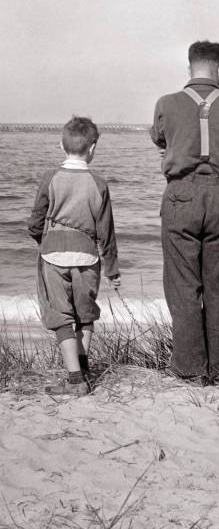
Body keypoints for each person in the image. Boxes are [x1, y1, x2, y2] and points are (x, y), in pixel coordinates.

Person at [150, 40, 219, 384]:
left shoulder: (167, 103)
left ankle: (190, 370)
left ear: (189, 66)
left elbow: (161, 140)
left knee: (183, 286)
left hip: (181, 195)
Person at [28, 116, 121, 396]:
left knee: (60, 316)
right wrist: (113, 270)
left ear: (61, 145)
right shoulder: (99, 183)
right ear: (92, 148)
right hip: (87, 257)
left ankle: (74, 380)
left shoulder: (50, 178)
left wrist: (42, 239)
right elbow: (107, 232)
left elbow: (35, 222)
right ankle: (84, 373)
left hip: (53, 255)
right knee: (85, 314)